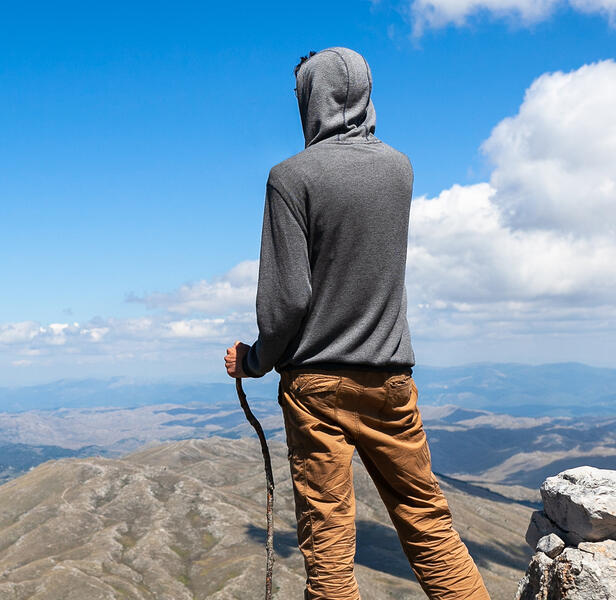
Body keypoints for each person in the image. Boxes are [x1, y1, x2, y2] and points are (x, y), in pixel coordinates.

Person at [223, 47, 490, 600]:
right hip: (390, 375)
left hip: (316, 383)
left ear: (310, 99)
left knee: (328, 545)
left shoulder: (289, 179)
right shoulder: (400, 168)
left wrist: (251, 360)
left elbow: (289, 299)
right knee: (428, 522)